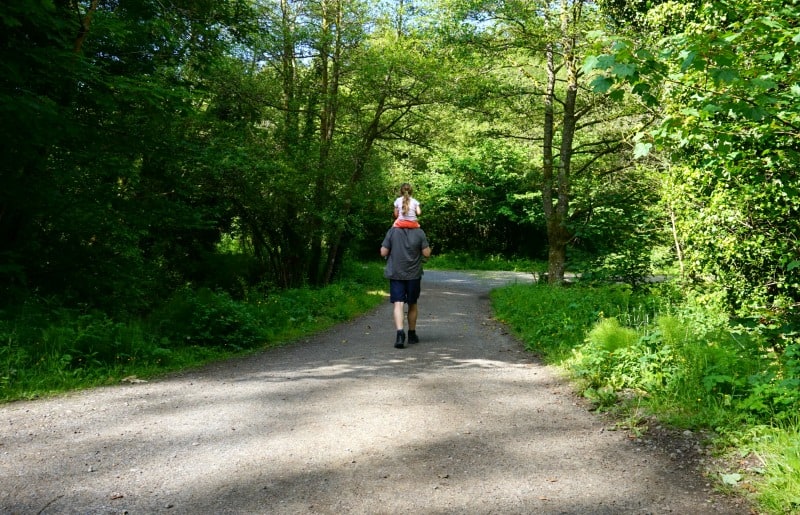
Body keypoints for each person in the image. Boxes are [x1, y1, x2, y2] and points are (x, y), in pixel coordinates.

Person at [380, 223, 431, 348]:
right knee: (412, 303)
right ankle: (412, 335)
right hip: (413, 274)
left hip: (396, 273)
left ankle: (400, 334)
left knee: (398, 304)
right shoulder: (419, 232)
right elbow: (426, 253)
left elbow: (383, 252)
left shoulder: (392, 231)